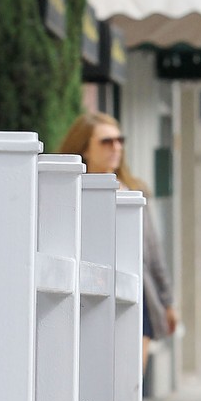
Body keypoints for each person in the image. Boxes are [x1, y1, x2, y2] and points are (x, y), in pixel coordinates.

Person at [58, 112, 178, 374]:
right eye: (106, 141)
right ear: (84, 148)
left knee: (130, 379)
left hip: (137, 293)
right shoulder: (67, 191)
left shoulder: (135, 191)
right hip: (86, 295)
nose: (116, 147)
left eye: (119, 140)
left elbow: (152, 251)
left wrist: (167, 302)